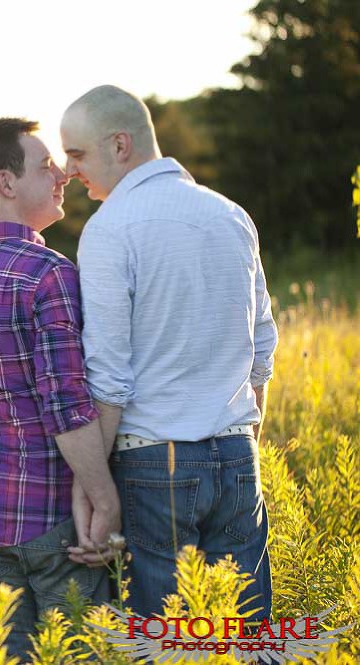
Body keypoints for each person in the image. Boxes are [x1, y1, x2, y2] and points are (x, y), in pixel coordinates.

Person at [60, 85, 278, 621]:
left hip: (154, 459)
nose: (67, 170)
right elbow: (262, 351)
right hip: (236, 454)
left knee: (166, 640)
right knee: (245, 637)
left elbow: (108, 376)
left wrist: (96, 492)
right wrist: (242, 443)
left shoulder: (110, 229)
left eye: (77, 154)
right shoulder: (232, 216)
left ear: (119, 145)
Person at [0, 117, 121, 655]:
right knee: (80, 651)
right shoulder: (49, 274)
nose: (62, 175)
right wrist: (103, 500)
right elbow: (67, 402)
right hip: (53, 519)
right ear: (5, 183)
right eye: (44, 165)